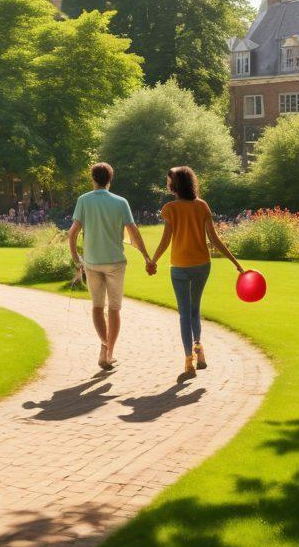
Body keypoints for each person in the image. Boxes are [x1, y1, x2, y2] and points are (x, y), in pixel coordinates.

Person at [148, 166, 244, 383]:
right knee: (194, 309)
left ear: (175, 185)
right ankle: (199, 348)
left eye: (168, 180)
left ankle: (188, 361)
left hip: (180, 267)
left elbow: (165, 240)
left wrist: (153, 261)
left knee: (184, 314)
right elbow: (215, 239)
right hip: (202, 265)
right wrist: (236, 263)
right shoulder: (202, 206)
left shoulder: (170, 208)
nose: (166, 183)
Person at [68, 162, 153, 372]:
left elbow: (73, 233)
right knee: (114, 309)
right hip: (115, 263)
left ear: (93, 179)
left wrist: (77, 260)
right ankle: (109, 353)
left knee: (97, 307)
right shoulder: (121, 202)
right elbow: (133, 231)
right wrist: (146, 257)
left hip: (92, 263)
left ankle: (105, 346)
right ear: (110, 179)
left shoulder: (83, 200)